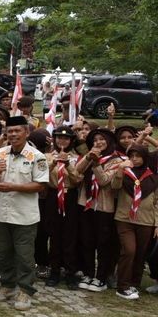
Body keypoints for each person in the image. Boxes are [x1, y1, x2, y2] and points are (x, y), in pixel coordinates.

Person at [0, 115, 49, 311]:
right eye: (9, 131)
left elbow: (41, 185)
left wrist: (14, 187)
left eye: (17, 131)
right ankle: (7, 286)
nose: (13, 134)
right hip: (2, 214)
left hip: (25, 216)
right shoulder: (0, 154)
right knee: (4, 253)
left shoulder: (36, 156)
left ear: (26, 132)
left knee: (24, 256)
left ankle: (25, 291)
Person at [74, 128, 121, 292]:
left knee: (103, 243)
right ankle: (88, 273)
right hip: (86, 204)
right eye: (95, 140)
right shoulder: (90, 155)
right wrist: (88, 157)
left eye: (102, 139)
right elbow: (76, 171)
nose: (98, 143)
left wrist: (96, 163)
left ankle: (101, 277)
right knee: (87, 240)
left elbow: (104, 181)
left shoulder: (117, 160)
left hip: (104, 207)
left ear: (109, 141)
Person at [109, 146, 158, 300]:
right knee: (129, 250)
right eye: (132, 156)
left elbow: (156, 202)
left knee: (140, 253)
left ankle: (134, 283)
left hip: (146, 220)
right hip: (125, 218)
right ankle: (122, 286)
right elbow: (114, 187)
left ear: (145, 157)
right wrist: (119, 171)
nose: (135, 159)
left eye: (138, 156)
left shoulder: (153, 177)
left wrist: (157, 223)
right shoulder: (125, 173)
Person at [45, 126, 83, 288]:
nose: (62, 141)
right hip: (53, 196)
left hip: (70, 196)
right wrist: (54, 162)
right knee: (54, 234)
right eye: (59, 138)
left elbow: (77, 180)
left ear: (71, 141)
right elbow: (41, 175)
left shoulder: (76, 158)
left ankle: (70, 272)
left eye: (66, 138)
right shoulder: (47, 156)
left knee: (70, 235)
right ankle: (54, 271)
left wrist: (67, 164)